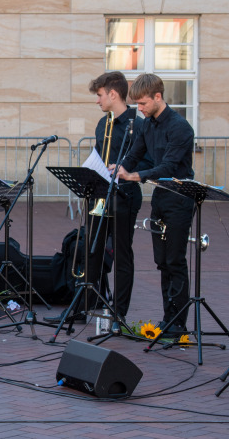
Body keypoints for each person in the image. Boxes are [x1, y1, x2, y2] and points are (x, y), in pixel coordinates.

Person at [47, 71, 148, 324]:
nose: (97, 101)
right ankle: (83, 307)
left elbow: (148, 161)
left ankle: (119, 311)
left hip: (125, 196)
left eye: (100, 95)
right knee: (91, 251)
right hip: (101, 195)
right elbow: (99, 156)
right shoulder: (103, 124)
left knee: (123, 253)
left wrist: (127, 171)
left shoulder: (138, 124)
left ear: (113, 94)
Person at [112, 73, 195, 337]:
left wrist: (132, 176)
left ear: (158, 97)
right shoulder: (147, 125)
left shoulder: (180, 127)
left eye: (144, 103)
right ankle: (167, 319)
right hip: (160, 197)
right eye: (137, 104)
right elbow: (135, 153)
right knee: (162, 262)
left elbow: (169, 167)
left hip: (180, 200)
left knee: (175, 261)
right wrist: (120, 168)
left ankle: (178, 324)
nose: (140, 109)